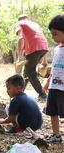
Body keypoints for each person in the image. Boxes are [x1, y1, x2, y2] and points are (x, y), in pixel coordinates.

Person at [16, 14, 49, 101]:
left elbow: (20, 38)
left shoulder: (20, 23)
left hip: (34, 48)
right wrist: (45, 60)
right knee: (26, 72)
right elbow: (41, 39)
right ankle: (20, 92)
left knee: (30, 72)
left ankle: (42, 95)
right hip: (44, 47)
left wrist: (19, 56)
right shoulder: (35, 25)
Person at [43, 14, 64, 143]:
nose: (53, 37)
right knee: (53, 111)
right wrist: (48, 80)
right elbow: (55, 66)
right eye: (52, 34)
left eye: (56, 34)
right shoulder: (56, 49)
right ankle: (56, 135)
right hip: (54, 86)